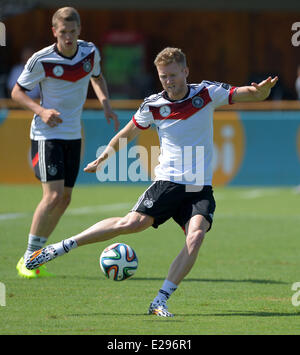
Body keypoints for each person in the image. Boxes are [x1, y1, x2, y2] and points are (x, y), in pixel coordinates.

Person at [25, 47, 278, 316]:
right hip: (168, 182)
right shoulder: (154, 105)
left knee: (196, 236)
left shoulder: (205, 93)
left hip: (198, 187)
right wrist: (103, 158)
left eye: (172, 75)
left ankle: (160, 300)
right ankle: (62, 246)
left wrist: (261, 92)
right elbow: (128, 133)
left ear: (185, 71)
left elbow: (246, 94)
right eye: (163, 76)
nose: (168, 81)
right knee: (131, 224)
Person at [12, 7, 119, 279]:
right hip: (47, 135)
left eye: (73, 32)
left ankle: (37, 255)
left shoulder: (90, 52)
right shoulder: (42, 59)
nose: (68, 37)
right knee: (53, 195)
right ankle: (27, 258)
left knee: (66, 198)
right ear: (54, 32)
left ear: (79, 30)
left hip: (73, 134)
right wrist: (41, 111)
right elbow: (17, 92)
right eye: (63, 33)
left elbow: (97, 76)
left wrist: (106, 104)